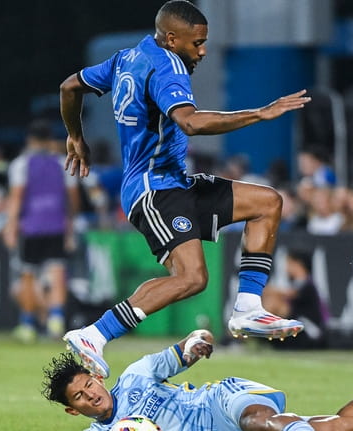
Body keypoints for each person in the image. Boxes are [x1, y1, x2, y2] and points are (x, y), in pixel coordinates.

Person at [59, 0, 310, 377]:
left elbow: (69, 86)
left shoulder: (127, 57)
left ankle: (246, 308)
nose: (203, 51)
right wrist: (259, 113)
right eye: (198, 43)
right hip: (154, 189)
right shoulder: (168, 66)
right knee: (192, 277)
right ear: (173, 39)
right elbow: (190, 123)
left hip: (176, 182)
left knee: (267, 202)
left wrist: (75, 136)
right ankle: (95, 334)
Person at [43, 329, 353, 431]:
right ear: (72, 409)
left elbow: (183, 352)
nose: (92, 396)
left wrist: (196, 342)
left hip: (219, 402)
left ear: (96, 375)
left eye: (89, 385)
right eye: (81, 398)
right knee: (342, 427)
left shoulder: (135, 374)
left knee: (260, 423)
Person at [4, 119, 78, 341]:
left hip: (31, 226)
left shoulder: (21, 164)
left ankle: (28, 324)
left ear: (30, 140)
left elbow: (17, 197)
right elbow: (72, 198)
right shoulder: (62, 162)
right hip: (56, 224)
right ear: (49, 140)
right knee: (57, 272)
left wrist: (10, 226)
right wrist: (70, 223)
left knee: (28, 274)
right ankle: (56, 320)